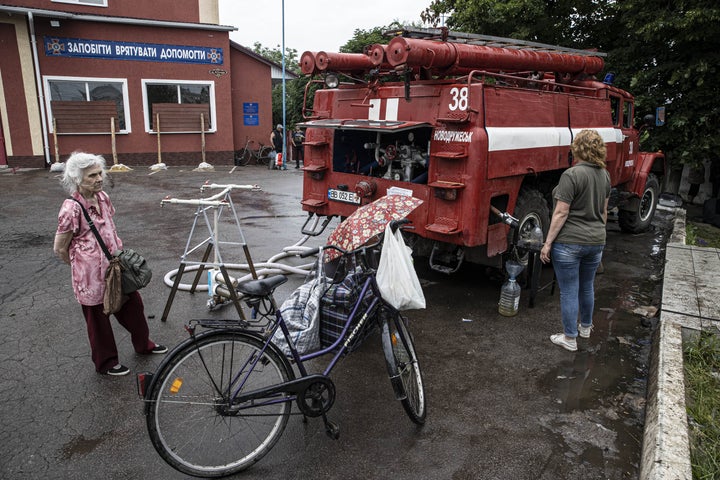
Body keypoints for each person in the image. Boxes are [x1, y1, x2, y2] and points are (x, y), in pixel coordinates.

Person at [53, 152, 166, 376]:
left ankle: (144, 345)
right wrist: (81, 267)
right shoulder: (71, 208)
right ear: (77, 179)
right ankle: (106, 363)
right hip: (89, 278)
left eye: (99, 173)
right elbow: (60, 248)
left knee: (133, 307)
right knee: (98, 322)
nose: (99, 178)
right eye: (92, 176)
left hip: (116, 268)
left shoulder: (103, 197)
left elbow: (110, 229)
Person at [540, 129, 611, 352]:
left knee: (569, 290)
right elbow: (604, 211)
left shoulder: (572, 175)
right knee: (587, 286)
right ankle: (586, 328)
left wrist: (548, 242)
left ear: (577, 148)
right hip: (596, 241)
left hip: (570, 242)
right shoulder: (605, 175)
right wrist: (599, 234)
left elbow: (561, 212)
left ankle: (569, 338)